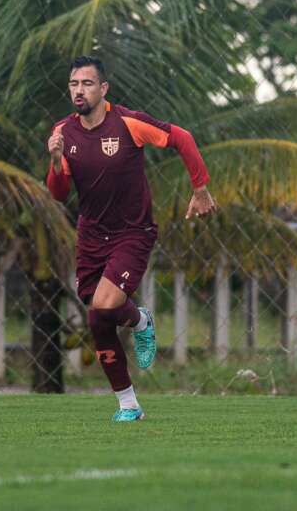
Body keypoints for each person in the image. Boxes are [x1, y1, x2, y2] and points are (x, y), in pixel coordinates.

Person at [46, 56, 216, 422]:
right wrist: (56, 159)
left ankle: (137, 336)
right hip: (90, 234)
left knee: (104, 307)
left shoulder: (127, 122)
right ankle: (130, 400)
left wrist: (200, 188)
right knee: (98, 317)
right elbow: (59, 193)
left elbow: (181, 138)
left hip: (132, 233)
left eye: (87, 83)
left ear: (103, 89)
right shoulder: (63, 131)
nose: (79, 90)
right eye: (74, 83)